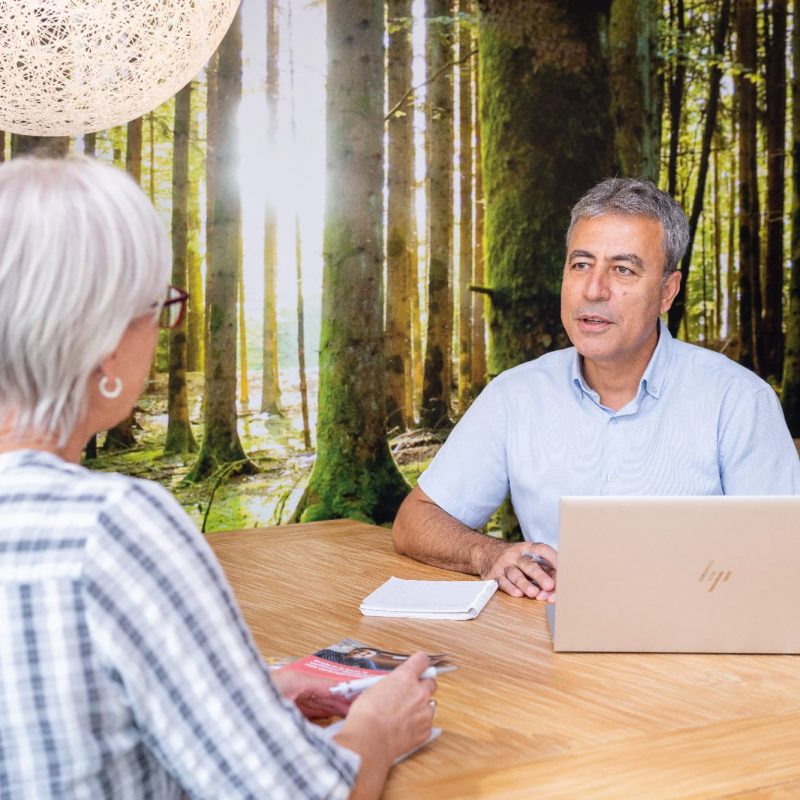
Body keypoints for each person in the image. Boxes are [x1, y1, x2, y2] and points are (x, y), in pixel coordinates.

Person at [0, 156, 436, 800]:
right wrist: (378, 727)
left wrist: (239, 696)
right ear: (104, 344)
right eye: (155, 307)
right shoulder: (111, 528)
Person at [393, 177, 800, 603]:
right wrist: (488, 553)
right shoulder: (515, 395)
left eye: (623, 269)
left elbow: (781, 563)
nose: (593, 290)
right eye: (581, 264)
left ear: (667, 291)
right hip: (546, 642)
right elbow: (415, 520)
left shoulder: (739, 402)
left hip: (694, 647)